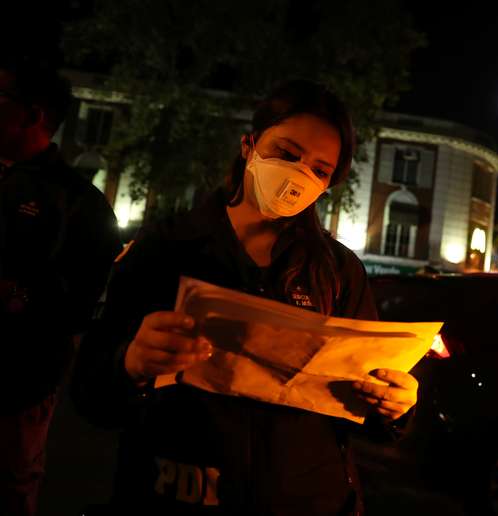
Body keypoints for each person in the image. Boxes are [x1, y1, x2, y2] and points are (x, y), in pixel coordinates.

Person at [71, 79, 418, 515]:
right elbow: (90, 394)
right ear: (249, 145)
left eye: (319, 169)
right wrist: (131, 363)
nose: (299, 174)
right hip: (175, 493)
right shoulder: (167, 246)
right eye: (286, 153)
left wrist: (395, 406)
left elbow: (365, 410)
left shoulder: (337, 270)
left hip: (312, 501)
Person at [0, 59, 123, 515]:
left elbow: (80, 307)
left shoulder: (77, 204)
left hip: (16, 389)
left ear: (35, 115)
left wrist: (19, 296)